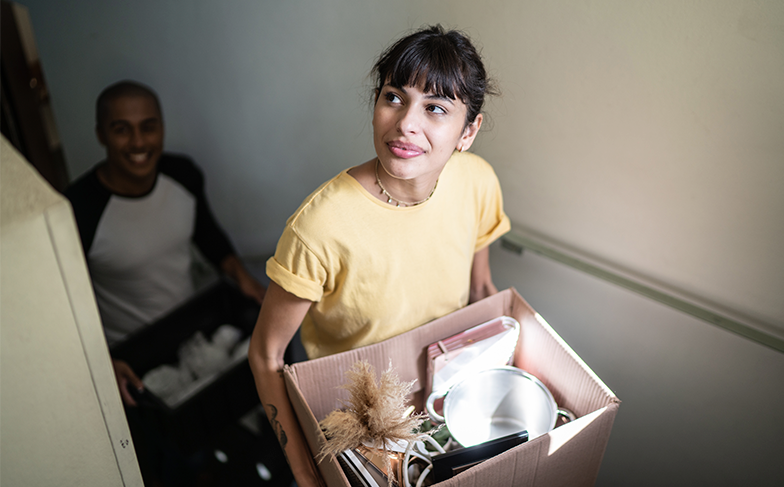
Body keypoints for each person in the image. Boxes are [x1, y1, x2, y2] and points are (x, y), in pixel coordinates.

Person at [248, 25, 510, 486]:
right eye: (394, 97)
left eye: (435, 109)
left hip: (441, 394)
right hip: (354, 417)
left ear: (469, 131)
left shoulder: (478, 182)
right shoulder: (319, 227)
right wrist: (307, 472)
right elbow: (267, 355)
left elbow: (481, 291)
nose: (406, 124)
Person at [65, 80, 266, 406]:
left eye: (148, 127)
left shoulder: (182, 175)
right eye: (121, 130)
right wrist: (99, 360)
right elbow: (66, 302)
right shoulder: (78, 209)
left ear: (162, 127)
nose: (138, 142)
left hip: (191, 327)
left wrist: (241, 276)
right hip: (133, 355)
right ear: (101, 134)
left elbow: (208, 235)